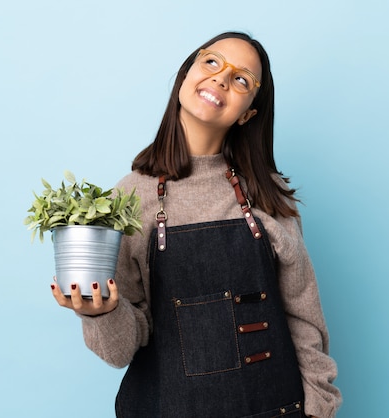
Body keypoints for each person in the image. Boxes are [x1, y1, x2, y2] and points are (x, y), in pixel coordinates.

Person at [51, 31, 342, 418]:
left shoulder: (270, 194)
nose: (221, 78)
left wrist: (320, 409)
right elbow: (120, 351)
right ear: (186, 73)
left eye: (241, 79)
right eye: (212, 62)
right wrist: (99, 313)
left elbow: (304, 321)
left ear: (248, 113)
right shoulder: (126, 200)